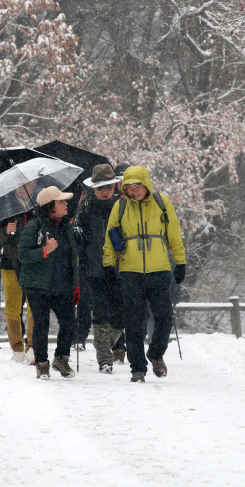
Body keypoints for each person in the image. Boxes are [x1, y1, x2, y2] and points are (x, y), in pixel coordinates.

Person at [102, 165, 186, 383]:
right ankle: (137, 368)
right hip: (130, 272)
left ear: (146, 184)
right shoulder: (120, 207)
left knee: (165, 318)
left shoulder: (161, 202)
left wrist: (180, 261)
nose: (134, 190)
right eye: (129, 187)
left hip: (159, 270)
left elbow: (174, 233)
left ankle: (156, 354)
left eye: (138, 185)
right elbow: (110, 238)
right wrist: (109, 265)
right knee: (134, 322)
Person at [18, 186, 80, 380]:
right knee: (41, 325)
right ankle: (42, 363)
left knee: (69, 323)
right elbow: (23, 255)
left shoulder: (67, 226)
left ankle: (61, 358)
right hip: (38, 286)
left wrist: (75, 282)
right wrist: (45, 251)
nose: (66, 203)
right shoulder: (34, 226)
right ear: (50, 206)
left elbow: (72, 257)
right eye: (61, 201)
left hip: (63, 284)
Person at [74, 163, 125, 373]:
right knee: (101, 312)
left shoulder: (122, 206)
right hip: (93, 267)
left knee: (120, 314)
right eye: (100, 188)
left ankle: (106, 343)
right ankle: (104, 358)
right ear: (94, 188)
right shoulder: (86, 206)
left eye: (108, 187)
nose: (105, 192)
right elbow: (76, 232)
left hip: (120, 266)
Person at [0, 213, 34, 362]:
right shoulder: (5, 209)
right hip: (10, 263)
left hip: (33, 263)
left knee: (35, 305)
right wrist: (6, 231)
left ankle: (32, 346)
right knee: (12, 307)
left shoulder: (38, 206)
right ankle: (17, 347)